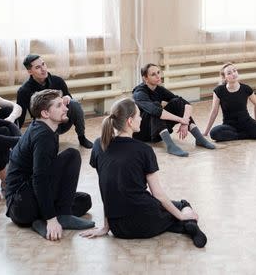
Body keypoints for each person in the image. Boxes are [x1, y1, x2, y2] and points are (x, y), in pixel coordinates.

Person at [80, 98, 207, 248]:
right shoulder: (144, 150)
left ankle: (180, 225)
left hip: (119, 228)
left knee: (162, 214)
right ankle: (187, 224)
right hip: (148, 220)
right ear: (129, 121)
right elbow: (157, 194)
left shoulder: (98, 145)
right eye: (138, 115)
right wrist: (182, 215)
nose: (141, 119)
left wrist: (106, 227)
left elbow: (106, 188)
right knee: (182, 205)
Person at [5, 89, 94, 241]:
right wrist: (52, 218)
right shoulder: (43, 136)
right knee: (72, 155)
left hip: (22, 206)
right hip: (22, 203)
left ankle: (39, 220)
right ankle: (59, 217)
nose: (66, 108)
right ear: (45, 113)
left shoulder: (43, 128)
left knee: (84, 200)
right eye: (59, 106)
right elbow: (40, 179)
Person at [132, 63, 215, 157]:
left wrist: (185, 122)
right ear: (145, 78)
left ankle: (199, 138)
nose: (158, 76)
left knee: (177, 102)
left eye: (158, 72)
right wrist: (181, 119)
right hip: (143, 133)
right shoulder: (139, 93)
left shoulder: (159, 89)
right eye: (153, 74)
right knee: (155, 108)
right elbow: (156, 111)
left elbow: (185, 103)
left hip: (157, 130)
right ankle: (170, 146)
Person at [16, 54, 93, 148]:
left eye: (43, 64)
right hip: (44, 126)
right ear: (29, 71)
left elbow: (68, 96)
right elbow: (20, 116)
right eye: (38, 67)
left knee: (74, 104)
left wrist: (67, 97)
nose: (43, 69)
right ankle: (50, 140)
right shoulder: (24, 90)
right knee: (51, 149)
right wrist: (16, 138)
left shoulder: (58, 81)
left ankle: (82, 137)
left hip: (62, 121)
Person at [203, 62, 256, 142]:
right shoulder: (219, 91)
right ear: (224, 77)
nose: (233, 74)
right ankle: (246, 135)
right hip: (229, 126)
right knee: (214, 133)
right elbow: (214, 112)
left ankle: (244, 134)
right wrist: (206, 132)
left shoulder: (246, 88)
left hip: (247, 123)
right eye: (229, 73)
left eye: (234, 71)